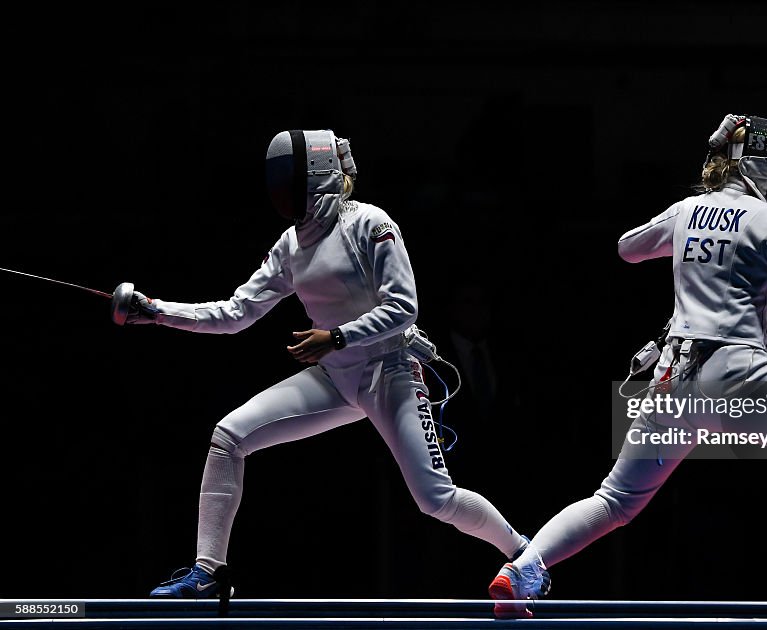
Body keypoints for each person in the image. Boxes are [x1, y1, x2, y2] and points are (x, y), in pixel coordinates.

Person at [488, 114, 767, 620]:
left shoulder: (688, 211)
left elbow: (627, 247)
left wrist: (705, 181)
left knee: (615, 500)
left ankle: (522, 570)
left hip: (672, 383)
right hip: (738, 381)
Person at [132, 129, 534, 597]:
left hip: (391, 371)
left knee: (435, 499)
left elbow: (403, 306)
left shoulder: (370, 223)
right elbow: (235, 313)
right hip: (336, 378)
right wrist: (157, 311)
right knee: (229, 437)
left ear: (314, 176)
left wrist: (337, 337)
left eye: (285, 180)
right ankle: (208, 572)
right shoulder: (290, 246)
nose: (278, 193)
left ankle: (525, 556)